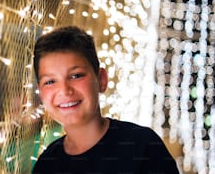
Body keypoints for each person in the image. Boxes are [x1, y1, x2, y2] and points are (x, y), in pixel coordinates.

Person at [32, 26, 179, 174]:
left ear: (101, 79)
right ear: (41, 93)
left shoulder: (143, 146)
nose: (64, 90)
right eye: (50, 82)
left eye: (76, 75)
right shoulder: (46, 164)